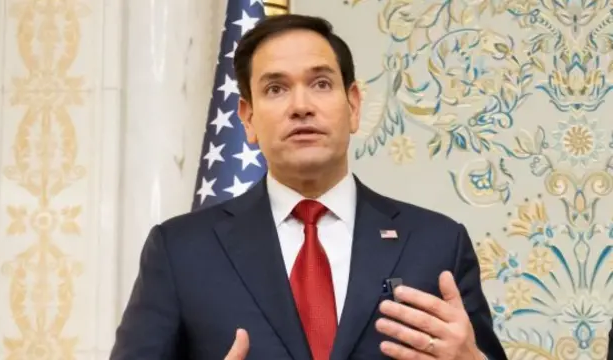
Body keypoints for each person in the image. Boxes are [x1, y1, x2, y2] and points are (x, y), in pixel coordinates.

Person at [110, 13, 508, 360]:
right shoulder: (181, 252)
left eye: (320, 83)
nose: (301, 106)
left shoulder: (436, 244)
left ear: (353, 106)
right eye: (275, 89)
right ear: (247, 119)